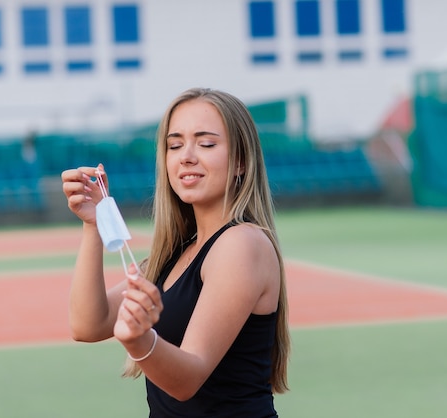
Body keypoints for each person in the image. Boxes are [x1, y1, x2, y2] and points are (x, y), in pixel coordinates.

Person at [61, 87, 290, 417]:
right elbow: (87, 324)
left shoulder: (243, 243)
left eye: (206, 143)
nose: (186, 156)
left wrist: (140, 340)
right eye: (175, 144)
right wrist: (94, 225)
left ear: (241, 162)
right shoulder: (176, 254)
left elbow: (187, 380)